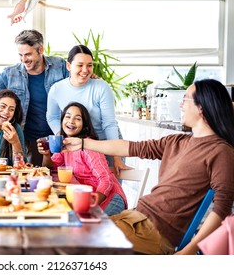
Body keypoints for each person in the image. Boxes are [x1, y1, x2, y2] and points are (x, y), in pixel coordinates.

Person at [63, 78, 234, 255]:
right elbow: (129, 147)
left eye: (185, 99)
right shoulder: (176, 141)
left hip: (152, 234)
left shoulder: (220, 151)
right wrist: (82, 144)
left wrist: (188, 251)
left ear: (202, 107)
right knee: (64, 232)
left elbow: (222, 209)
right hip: (132, 218)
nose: (180, 105)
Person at [0, 29, 69, 166]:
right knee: (36, 179)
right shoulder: (11, 73)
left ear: (40, 50)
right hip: (28, 140)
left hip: (58, 136)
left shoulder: (60, 65)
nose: (23, 59)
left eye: (28, 54)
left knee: (62, 176)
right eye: (20, 55)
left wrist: (90, 78)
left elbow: (77, 85)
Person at [46, 44, 128, 176]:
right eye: (80, 65)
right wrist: (63, 137)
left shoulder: (101, 87)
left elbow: (110, 123)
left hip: (106, 144)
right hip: (76, 146)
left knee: (109, 189)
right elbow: (52, 117)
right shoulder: (57, 89)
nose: (85, 70)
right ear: (68, 66)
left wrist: (116, 157)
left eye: (89, 65)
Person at [38, 102, 127, 216]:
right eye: (68, 116)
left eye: (77, 118)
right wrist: (46, 154)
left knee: (91, 228)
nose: (71, 121)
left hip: (109, 198)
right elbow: (50, 167)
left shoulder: (89, 147)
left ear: (84, 125)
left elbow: (106, 180)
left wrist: (92, 203)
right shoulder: (65, 144)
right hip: (85, 197)